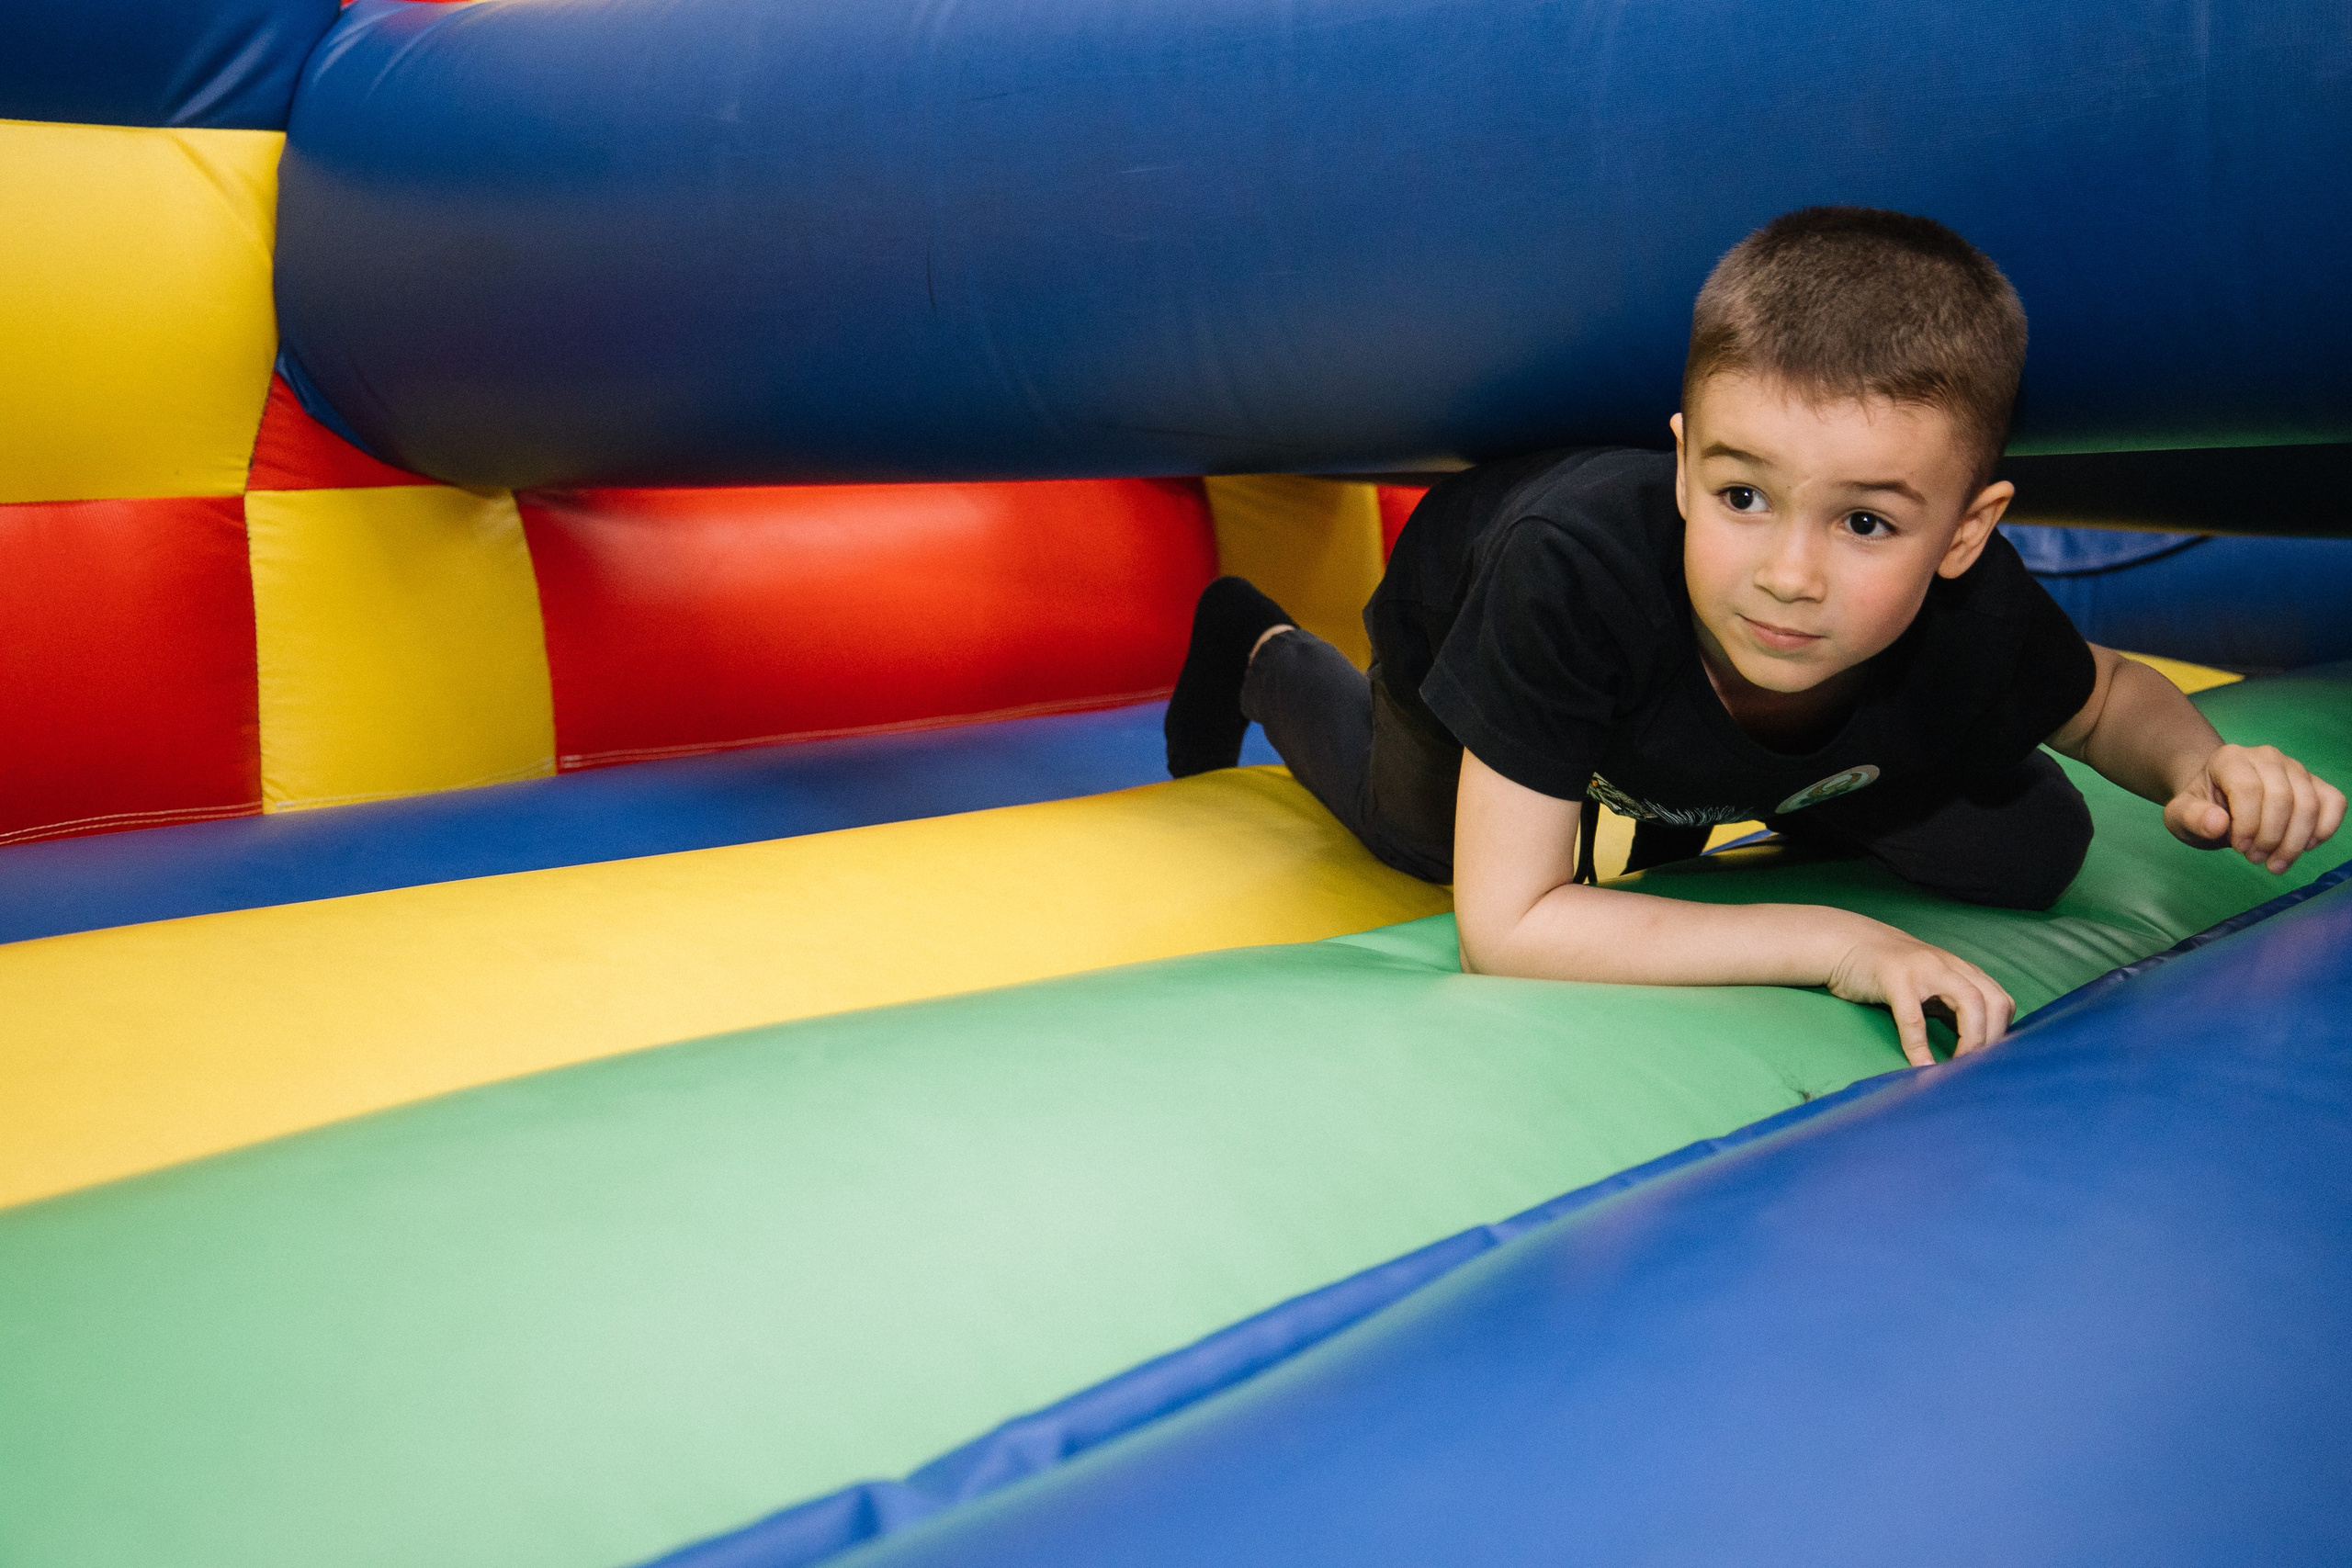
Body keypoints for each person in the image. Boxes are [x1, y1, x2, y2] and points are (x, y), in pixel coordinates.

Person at [1163, 207, 2344, 1067]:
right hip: (1469, 628)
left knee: (2029, 848)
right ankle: (1262, 648)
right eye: (1742, 496)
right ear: (1683, 467)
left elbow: (2104, 696)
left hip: (1715, 720)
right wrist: (1836, 943)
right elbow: (1507, 928)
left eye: (1866, 522)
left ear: (1964, 533)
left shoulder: (1967, 610)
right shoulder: (1566, 573)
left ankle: (1783, 779)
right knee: (1420, 841)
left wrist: (2200, 766)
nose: (1788, 575)